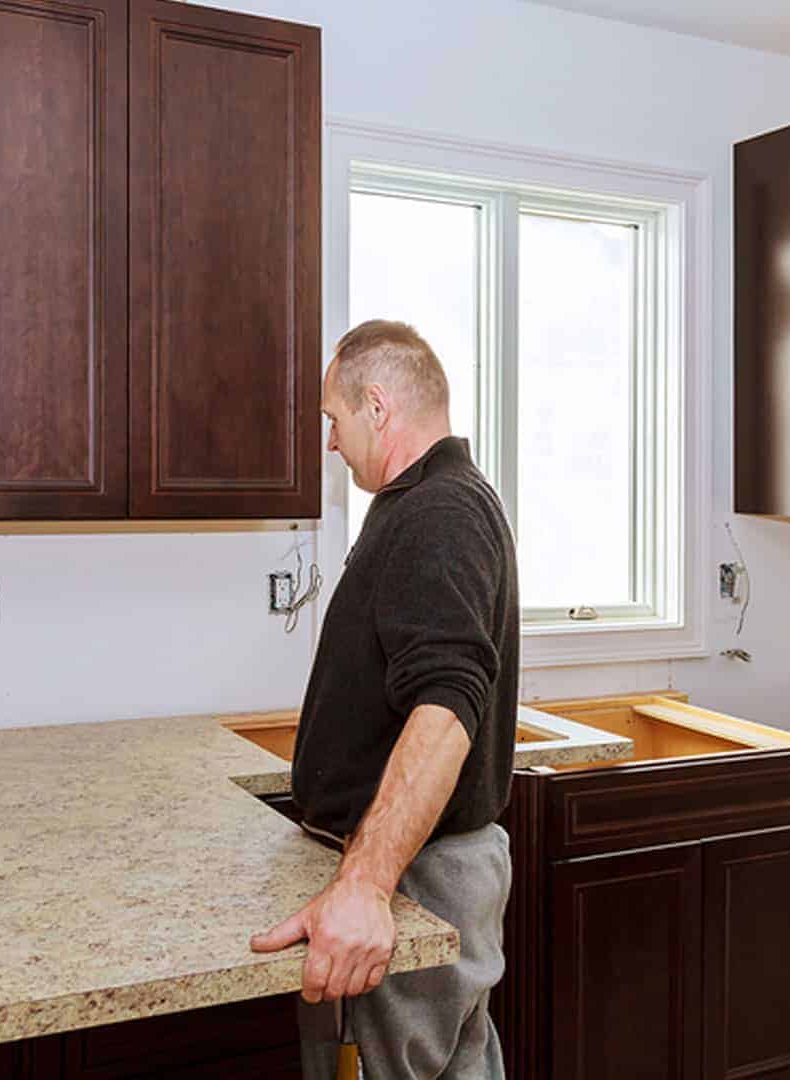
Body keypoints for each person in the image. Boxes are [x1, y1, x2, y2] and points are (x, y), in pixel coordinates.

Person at [250, 320, 521, 1078]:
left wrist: (366, 886)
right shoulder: (427, 503)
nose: (330, 443)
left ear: (377, 405)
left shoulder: (439, 513)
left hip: (419, 871)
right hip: (422, 862)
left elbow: (446, 701)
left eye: (333, 420)